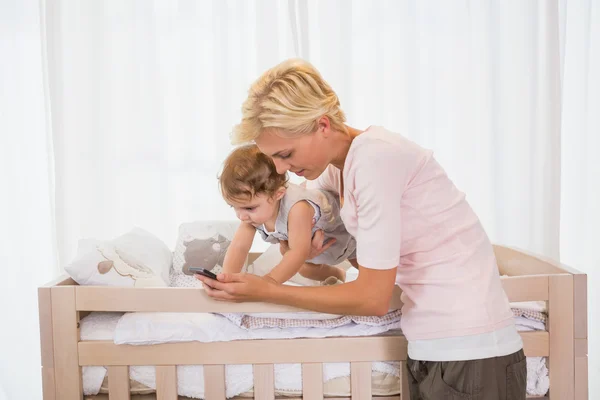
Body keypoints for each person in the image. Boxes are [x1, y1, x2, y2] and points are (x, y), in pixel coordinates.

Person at [197, 58, 527, 399]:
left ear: (322, 125)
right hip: (432, 344)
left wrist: (267, 290)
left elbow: (372, 297)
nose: (282, 169)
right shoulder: (334, 172)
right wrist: (301, 251)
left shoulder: (375, 159)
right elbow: (349, 256)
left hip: (470, 345)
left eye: (286, 154)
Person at [218, 143, 355, 284]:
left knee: (362, 263)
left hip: (347, 234)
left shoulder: (297, 208)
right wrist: (227, 278)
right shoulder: (251, 214)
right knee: (304, 269)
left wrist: (268, 282)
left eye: (249, 208)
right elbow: (239, 247)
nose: (241, 216)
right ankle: (339, 275)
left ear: (278, 194)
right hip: (319, 250)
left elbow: (297, 253)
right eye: (234, 207)